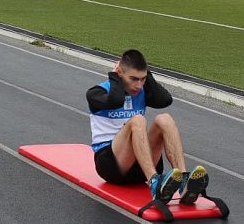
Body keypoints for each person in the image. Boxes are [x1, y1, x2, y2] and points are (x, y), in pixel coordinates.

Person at [86, 49, 208, 205]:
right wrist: (114, 77)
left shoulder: (141, 90)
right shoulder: (97, 92)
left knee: (165, 119)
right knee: (138, 120)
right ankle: (154, 183)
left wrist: (146, 75)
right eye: (133, 79)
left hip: (140, 168)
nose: (139, 85)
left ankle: (184, 181)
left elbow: (165, 100)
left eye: (142, 79)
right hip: (110, 167)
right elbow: (115, 100)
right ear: (120, 73)